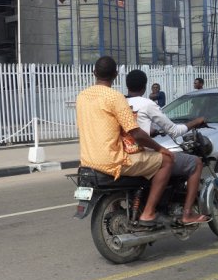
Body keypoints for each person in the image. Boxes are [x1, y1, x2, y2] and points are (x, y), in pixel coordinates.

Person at [76, 56, 174, 228]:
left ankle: (123, 205)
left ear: (94, 73)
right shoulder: (115, 97)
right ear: (115, 74)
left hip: (87, 162)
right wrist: (160, 149)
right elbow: (135, 133)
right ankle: (149, 212)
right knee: (166, 161)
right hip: (112, 162)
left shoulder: (82, 97)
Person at [126, 69, 210, 225]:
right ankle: (187, 214)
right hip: (145, 155)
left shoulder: (121, 103)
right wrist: (195, 122)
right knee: (195, 163)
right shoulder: (147, 104)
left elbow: (134, 129)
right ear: (145, 87)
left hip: (128, 154)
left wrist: (152, 131)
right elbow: (174, 130)